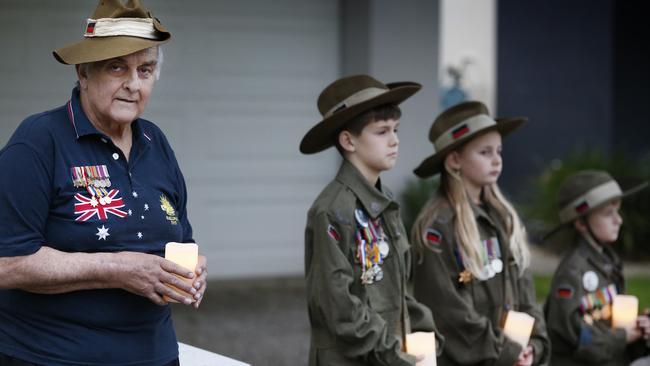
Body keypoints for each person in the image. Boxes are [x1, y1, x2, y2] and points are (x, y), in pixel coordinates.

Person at [0, 1, 206, 365]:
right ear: (84, 73)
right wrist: (115, 269)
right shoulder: (39, 140)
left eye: (145, 69)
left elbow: (181, 240)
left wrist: (191, 270)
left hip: (155, 355)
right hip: (52, 356)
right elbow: (8, 262)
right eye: (117, 67)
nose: (133, 84)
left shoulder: (155, 142)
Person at [300, 74, 442, 365]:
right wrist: (393, 353)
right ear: (348, 141)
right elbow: (339, 305)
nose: (395, 141)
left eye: (396, 130)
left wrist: (424, 331)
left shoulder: (384, 202)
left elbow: (398, 291)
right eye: (382, 132)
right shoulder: (332, 210)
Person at [410, 101, 550, 366]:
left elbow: (526, 292)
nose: (497, 159)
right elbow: (448, 312)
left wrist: (535, 345)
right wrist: (506, 351)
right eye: (485, 152)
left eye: (499, 151)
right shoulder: (438, 226)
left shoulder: (503, 217)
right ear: (454, 160)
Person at [544, 170, 650, 365]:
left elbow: (608, 321)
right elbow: (570, 336)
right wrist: (623, 336)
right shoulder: (573, 272)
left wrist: (638, 329)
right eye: (608, 214)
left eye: (617, 211)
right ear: (581, 223)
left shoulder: (607, 261)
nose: (618, 220)